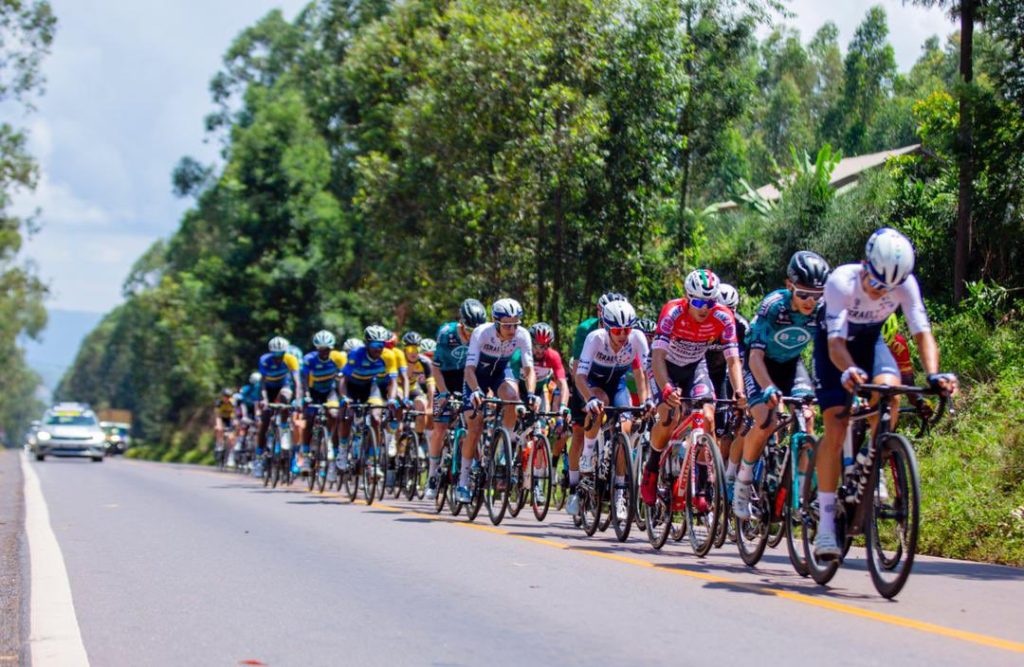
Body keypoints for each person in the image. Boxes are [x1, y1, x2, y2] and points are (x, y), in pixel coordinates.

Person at [811, 228, 957, 559]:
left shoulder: (906, 284)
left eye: (888, 288)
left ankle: (873, 459)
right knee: (836, 425)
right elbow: (835, 344)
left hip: (870, 341)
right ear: (865, 265)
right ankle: (826, 525)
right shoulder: (840, 282)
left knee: (891, 393)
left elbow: (922, 333)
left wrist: (933, 374)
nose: (880, 291)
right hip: (834, 347)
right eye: (875, 283)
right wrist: (849, 370)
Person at [731, 251, 829, 518]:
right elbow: (755, 357)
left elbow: (828, 351)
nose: (810, 301)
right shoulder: (774, 307)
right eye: (803, 294)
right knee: (766, 420)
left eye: (816, 295)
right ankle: (743, 482)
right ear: (789, 286)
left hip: (791, 365)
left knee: (807, 417)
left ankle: (800, 493)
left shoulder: (822, 309)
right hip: (760, 364)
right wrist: (768, 387)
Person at [642, 269, 747, 506]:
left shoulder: (723, 316)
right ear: (687, 297)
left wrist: (739, 391)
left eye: (710, 303)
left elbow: (733, 361)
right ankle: (651, 469)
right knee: (669, 416)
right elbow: (657, 357)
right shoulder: (672, 311)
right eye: (698, 302)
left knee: (707, 417)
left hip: (695, 366)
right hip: (665, 366)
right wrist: (666, 387)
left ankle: (701, 485)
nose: (704, 308)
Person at [570, 300, 652, 518]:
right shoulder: (595, 338)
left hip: (618, 384)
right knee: (599, 404)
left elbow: (646, 373)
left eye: (627, 329)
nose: (623, 335)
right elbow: (579, 376)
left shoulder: (637, 338)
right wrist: (589, 399)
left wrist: (648, 400)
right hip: (594, 383)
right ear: (607, 328)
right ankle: (587, 454)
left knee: (625, 429)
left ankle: (620, 491)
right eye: (617, 330)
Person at [456, 298, 539, 504]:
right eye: (507, 325)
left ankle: (504, 450)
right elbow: (469, 369)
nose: (512, 330)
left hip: (500, 372)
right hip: (477, 377)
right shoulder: (481, 333)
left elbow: (529, 370)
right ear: (496, 322)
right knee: (475, 427)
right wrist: (476, 391)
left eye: (515, 325)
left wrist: (530, 393)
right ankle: (463, 482)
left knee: (513, 400)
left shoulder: (522, 335)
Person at [565, 292, 626, 511]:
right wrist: (585, 396)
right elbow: (577, 367)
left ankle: (616, 486)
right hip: (586, 381)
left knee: (622, 429)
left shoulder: (624, 332)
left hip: (611, 382)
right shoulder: (586, 330)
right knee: (579, 434)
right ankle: (573, 489)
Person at [425, 298, 487, 499]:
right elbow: (435, 368)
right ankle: (432, 475)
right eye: (468, 330)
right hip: (445, 377)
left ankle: (470, 470)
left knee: (473, 425)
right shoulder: (446, 334)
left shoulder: (484, 335)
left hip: (467, 377)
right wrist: (443, 393)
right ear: (461, 324)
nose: (471, 335)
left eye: (476, 331)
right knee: (439, 428)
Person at [337, 325, 406, 469]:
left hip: (370, 386)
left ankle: (372, 460)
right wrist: (344, 397)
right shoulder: (356, 354)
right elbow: (344, 379)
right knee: (348, 416)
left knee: (376, 418)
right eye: (374, 345)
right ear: (367, 344)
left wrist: (392, 399)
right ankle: (342, 450)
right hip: (352, 387)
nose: (378, 349)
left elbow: (393, 381)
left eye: (381, 345)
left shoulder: (388, 356)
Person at [300, 330, 345, 479]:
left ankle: (332, 443)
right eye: (321, 349)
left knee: (334, 414)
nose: (324, 352)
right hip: (313, 392)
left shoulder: (338, 357)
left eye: (327, 349)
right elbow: (304, 379)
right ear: (317, 349)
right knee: (309, 419)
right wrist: (306, 395)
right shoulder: (309, 359)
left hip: (330, 391)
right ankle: (306, 455)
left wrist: (344, 394)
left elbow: (345, 375)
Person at [255, 336, 302, 475]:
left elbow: (297, 382)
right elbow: (262, 383)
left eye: (280, 354)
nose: (278, 358)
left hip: (283, 386)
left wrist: (298, 400)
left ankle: (283, 427)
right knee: (264, 422)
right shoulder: (264, 360)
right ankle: (259, 458)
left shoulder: (291, 359)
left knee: (285, 396)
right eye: (275, 355)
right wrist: (264, 399)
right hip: (268, 389)